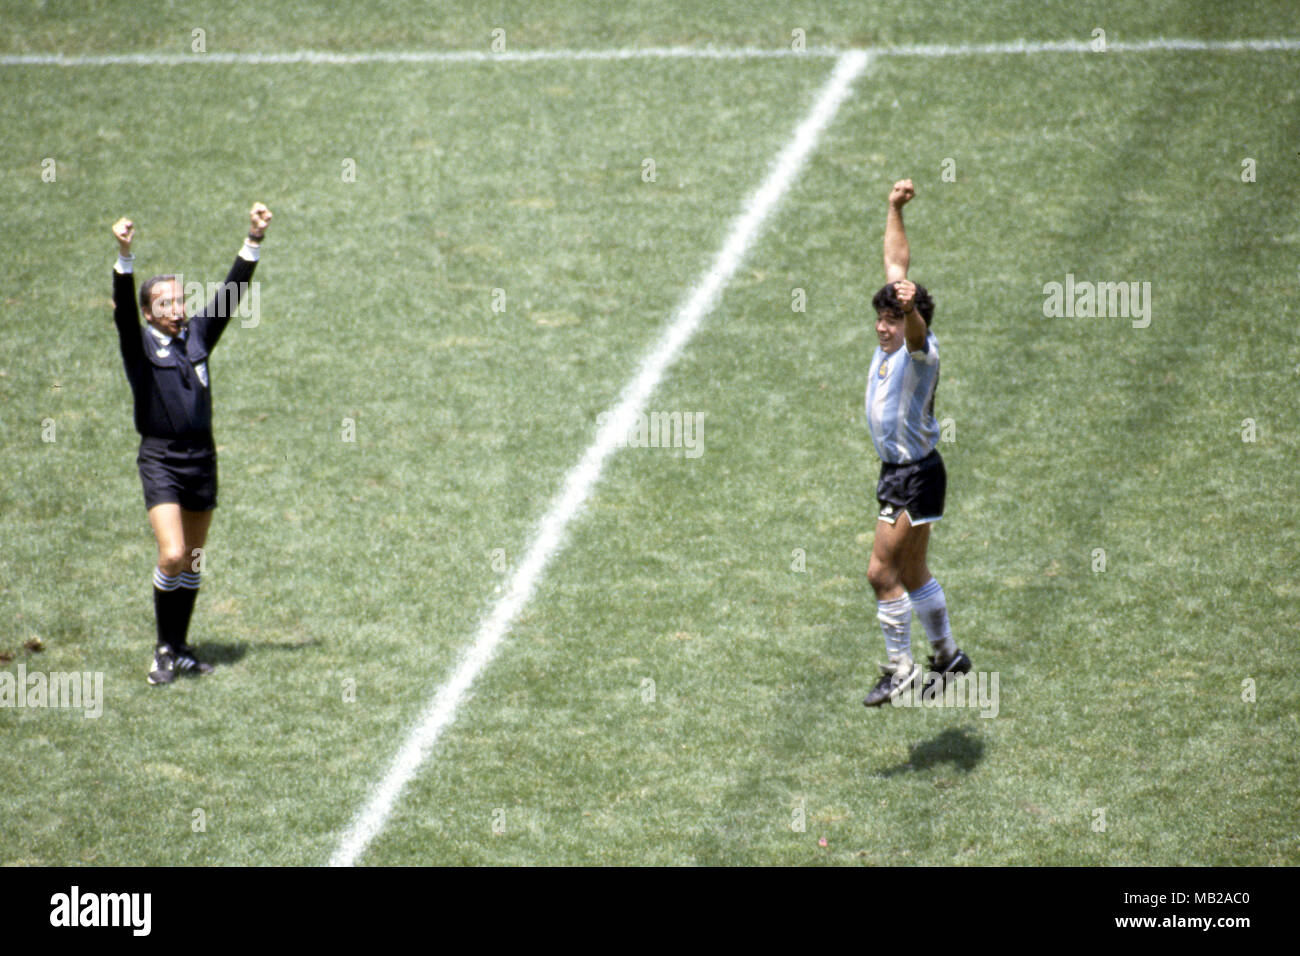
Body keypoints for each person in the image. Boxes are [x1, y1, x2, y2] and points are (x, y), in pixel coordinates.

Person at [110, 203, 272, 684]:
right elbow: (120, 309)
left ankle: (181, 647)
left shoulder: (198, 335)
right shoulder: (138, 345)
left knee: (195, 560)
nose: (176, 308)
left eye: (179, 300)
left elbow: (231, 294)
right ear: (148, 312)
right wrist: (124, 256)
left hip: (203, 458)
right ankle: (162, 647)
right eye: (165, 303)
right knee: (173, 555)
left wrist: (253, 239)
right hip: (161, 458)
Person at [861, 179, 971, 707]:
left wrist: (910, 314)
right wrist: (894, 209)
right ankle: (947, 655)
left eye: (893, 318)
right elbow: (895, 263)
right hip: (905, 472)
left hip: (913, 475)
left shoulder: (919, 350)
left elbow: (917, 333)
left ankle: (900, 667)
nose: (884, 327)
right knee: (913, 571)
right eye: (880, 317)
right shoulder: (892, 331)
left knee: (881, 573)